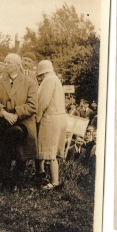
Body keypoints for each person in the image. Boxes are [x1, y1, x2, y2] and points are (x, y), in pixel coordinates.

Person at [0, 53, 38, 191]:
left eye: (9, 63)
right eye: (5, 62)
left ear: (18, 65)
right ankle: (5, 182)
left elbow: (33, 105)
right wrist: (3, 112)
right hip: (4, 122)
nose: (5, 65)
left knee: (20, 154)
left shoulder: (29, 82)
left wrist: (16, 113)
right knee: (3, 152)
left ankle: (16, 182)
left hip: (23, 123)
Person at [34, 59, 68, 190]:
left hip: (51, 118)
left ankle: (54, 182)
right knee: (49, 149)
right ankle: (41, 174)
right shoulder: (56, 79)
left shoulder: (48, 81)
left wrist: (37, 118)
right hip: (60, 117)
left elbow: (43, 102)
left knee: (49, 150)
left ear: (42, 73)